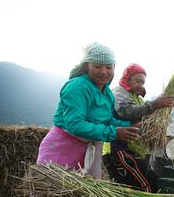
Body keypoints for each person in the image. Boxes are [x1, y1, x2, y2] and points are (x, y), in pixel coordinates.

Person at [37, 42, 138, 178]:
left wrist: (130, 126)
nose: (103, 72)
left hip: (88, 150)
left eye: (108, 67)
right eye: (97, 66)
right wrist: (114, 133)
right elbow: (75, 124)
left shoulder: (106, 92)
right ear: (86, 66)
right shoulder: (77, 87)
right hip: (62, 149)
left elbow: (107, 120)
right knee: (56, 195)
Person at [102, 63, 174, 192]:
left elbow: (144, 117)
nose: (141, 85)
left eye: (143, 82)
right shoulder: (119, 92)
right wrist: (155, 105)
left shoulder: (137, 98)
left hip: (133, 148)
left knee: (142, 182)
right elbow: (126, 111)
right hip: (117, 148)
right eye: (138, 81)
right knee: (146, 185)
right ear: (127, 79)